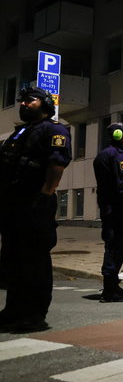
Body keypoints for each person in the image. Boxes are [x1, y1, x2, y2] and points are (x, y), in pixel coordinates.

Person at [0, 87, 71, 332]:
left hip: (35, 202)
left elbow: (56, 164)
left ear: (44, 103)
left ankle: (34, 314)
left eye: (29, 100)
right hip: (13, 204)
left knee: (35, 260)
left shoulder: (55, 129)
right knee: (12, 258)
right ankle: (13, 310)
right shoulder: (20, 132)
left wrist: (45, 195)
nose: (23, 104)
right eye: (21, 100)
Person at [93, 122, 123, 303]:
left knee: (113, 247)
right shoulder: (117, 156)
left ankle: (111, 287)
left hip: (110, 208)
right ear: (118, 135)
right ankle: (110, 290)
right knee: (115, 248)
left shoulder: (104, 154)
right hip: (119, 209)